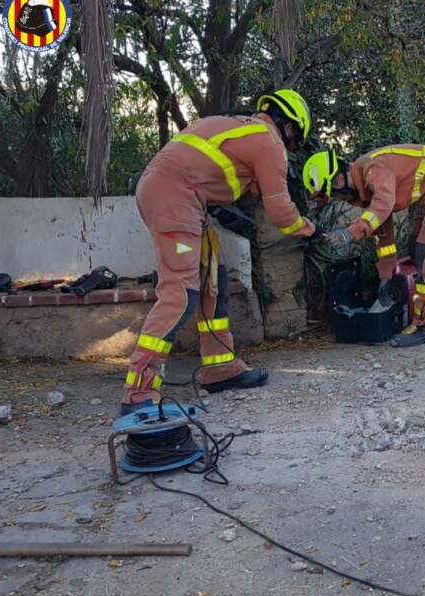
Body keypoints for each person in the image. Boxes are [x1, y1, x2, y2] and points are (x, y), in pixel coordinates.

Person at [122, 89, 321, 414]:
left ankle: (220, 366)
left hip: (178, 196)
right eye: (295, 141)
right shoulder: (269, 141)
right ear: (289, 126)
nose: (291, 147)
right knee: (180, 294)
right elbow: (281, 213)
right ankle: (138, 391)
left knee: (214, 279)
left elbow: (200, 169)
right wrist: (312, 230)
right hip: (176, 199)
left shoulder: (237, 127)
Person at [301, 144, 425, 347]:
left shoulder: (374, 169)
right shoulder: (367, 185)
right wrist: (385, 276)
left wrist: (351, 232)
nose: (340, 200)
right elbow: (384, 234)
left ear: (338, 180)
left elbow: (383, 204)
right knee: (417, 249)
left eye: (336, 195)